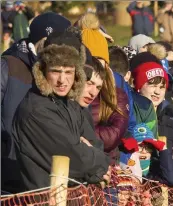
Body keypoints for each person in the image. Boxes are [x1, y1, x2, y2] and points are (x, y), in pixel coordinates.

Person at [11, 34, 111, 192]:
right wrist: (99, 164)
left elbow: (95, 144)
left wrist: (92, 156)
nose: (62, 80)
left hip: (73, 203)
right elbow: (75, 158)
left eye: (69, 72)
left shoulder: (70, 103)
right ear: (43, 71)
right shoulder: (36, 110)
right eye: (56, 71)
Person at [1, 12, 71, 193]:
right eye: (55, 43)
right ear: (43, 39)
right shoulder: (9, 66)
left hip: (43, 179)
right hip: (7, 176)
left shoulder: (58, 75)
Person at [79, 14, 130, 163]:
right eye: (91, 62)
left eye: (100, 62)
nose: (96, 68)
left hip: (106, 162)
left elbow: (113, 135)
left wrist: (76, 137)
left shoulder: (116, 94)